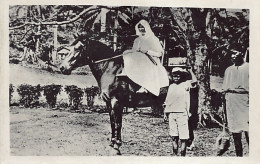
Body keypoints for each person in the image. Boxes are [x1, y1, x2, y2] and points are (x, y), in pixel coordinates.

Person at [119, 19, 169, 96]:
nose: (141, 29)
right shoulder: (137, 39)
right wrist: (128, 52)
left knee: (143, 62)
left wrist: (147, 51)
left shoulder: (153, 39)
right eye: (139, 28)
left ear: (146, 27)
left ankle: (145, 86)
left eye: (142, 27)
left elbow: (159, 53)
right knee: (127, 54)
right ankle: (127, 75)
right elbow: (134, 50)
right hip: (138, 59)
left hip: (151, 59)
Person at [163, 67, 197, 156]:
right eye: (174, 76)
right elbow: (167, 101)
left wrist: (190, 70)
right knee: (174, 137)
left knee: (183, 138)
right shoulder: (171, 87)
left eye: (178, 76)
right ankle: (175, 155)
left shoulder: (186, 85)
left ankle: (182, 156)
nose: (176, 78)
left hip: (182, 113)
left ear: (181, 77)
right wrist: (165, 113)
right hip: (172, 113)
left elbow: (195, 81)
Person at [221, 49, 249, 156]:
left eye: (235, 54)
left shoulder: (249, 67)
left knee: (249, 132)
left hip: (246, 104)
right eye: (231, 55)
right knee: (235, 133)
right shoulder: (229, 70)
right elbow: (224, 89)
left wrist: (233, 90)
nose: (233, 57)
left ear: (241, 54)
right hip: (231, 104)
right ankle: (239, 157)